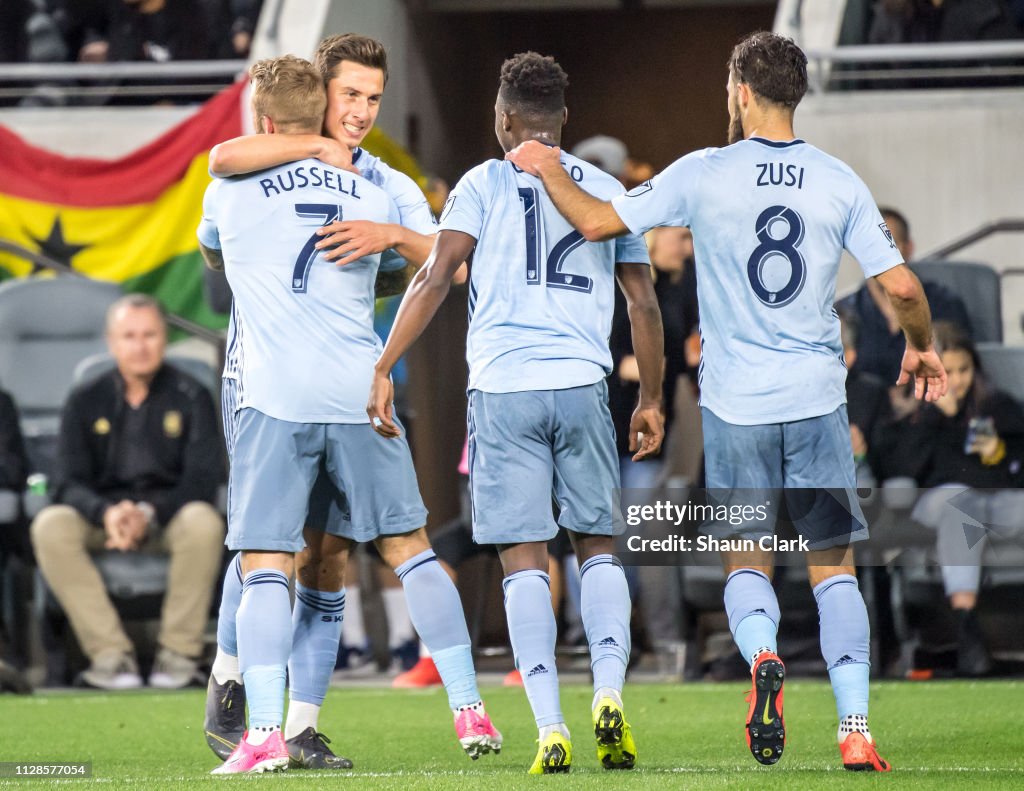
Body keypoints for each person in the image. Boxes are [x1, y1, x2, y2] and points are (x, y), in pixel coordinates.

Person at [507, 31, 948, 773]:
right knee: (832, 565)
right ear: (795, 94)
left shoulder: (703, 172)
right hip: (814, 401)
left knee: (749, 562)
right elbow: (901, 286)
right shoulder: (838, 179)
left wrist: (548, 163)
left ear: (741, 90)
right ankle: (855, 728)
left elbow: (594, 221)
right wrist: (921, 342)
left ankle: (765, 653)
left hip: (737, 405)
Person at [197, 54, 499, 775]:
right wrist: (379, 236)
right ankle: (231, 670)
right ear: (324, 95)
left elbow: (219, 201)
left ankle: (282, 725)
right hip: (347, 388)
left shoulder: (240, 187)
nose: (362, 109)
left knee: (291, 555)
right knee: (395, 548)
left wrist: (394, 239)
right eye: (351, 94)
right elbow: (431, 271)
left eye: (374, 97)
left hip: (282, 391)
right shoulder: (369, 189)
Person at [368, 51, 664, 774]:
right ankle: (609, 693)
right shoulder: (602, 189)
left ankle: (550, 726)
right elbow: (643, 301)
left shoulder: (481, 182)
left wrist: (381, 364)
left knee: (523, 558)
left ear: (502, 119)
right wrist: (652, 396)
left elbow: (437, 276)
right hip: (583, 384)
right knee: (596, 546)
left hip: (503, 390)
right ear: (562, 120)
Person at [30, 294, 225, 690]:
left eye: (150, 335)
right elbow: (66, 480)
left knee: (204, 520)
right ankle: (110, 656)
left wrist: (147, 514)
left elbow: (202, 478)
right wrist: (107, 513)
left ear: (164, 338)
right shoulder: (87, 397)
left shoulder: (192, 393)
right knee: (51, 525)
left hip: (168, 518)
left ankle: (178, 655)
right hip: (104, 519)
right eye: (129, 336)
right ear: (111, 342)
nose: (140, 346)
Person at [879, 322, 1024, 676]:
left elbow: (1018, 468)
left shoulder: (996, 406)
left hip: (997, 500)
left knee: (986, 502)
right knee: (962, 505)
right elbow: (901, 470)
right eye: (949, 371)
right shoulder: (914, 415)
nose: (957, 380)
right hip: (944, 502)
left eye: (964, 370)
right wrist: (933, 416)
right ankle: (967, 627)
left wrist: (1001, 452)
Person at [837, 206, 970, 412]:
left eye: (889, 245)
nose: (879, 256)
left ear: (909, 248)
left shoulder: (944, 305)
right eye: (871, 246)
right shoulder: (842, 315)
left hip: (931, 415)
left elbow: (964, 367)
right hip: (865, 422)